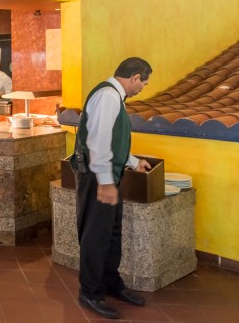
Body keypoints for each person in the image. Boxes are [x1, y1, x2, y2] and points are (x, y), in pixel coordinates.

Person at [71, 57, 153, 319]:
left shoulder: (114, 97)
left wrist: (132, 161)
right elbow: (98, 141)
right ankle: (90, 291)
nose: (143, 88)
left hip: (107, 175)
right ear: (135, 78)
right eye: (144, 83)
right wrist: (106, 181)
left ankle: (110, 283)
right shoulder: (107, 96)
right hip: (98, 177)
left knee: (111, 234)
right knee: (96, 236)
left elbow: (113, 140)